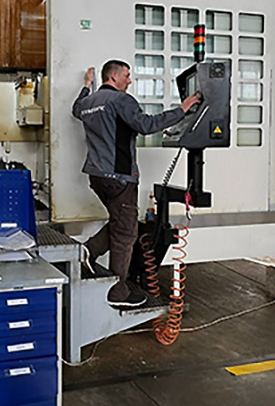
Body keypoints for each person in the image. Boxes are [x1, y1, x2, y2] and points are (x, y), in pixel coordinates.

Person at [72, 60, 200, 309]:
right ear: (113, 76)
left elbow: (76, 109)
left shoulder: (88, 102)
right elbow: (147, 125)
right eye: (127, 75)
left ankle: (87, 251)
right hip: (119, 178)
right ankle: (117, 292)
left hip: (97, 176)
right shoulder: (121, 100)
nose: (129, 81)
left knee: (121, 222)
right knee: (126, 233)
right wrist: (182, 109)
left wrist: (87, 86)